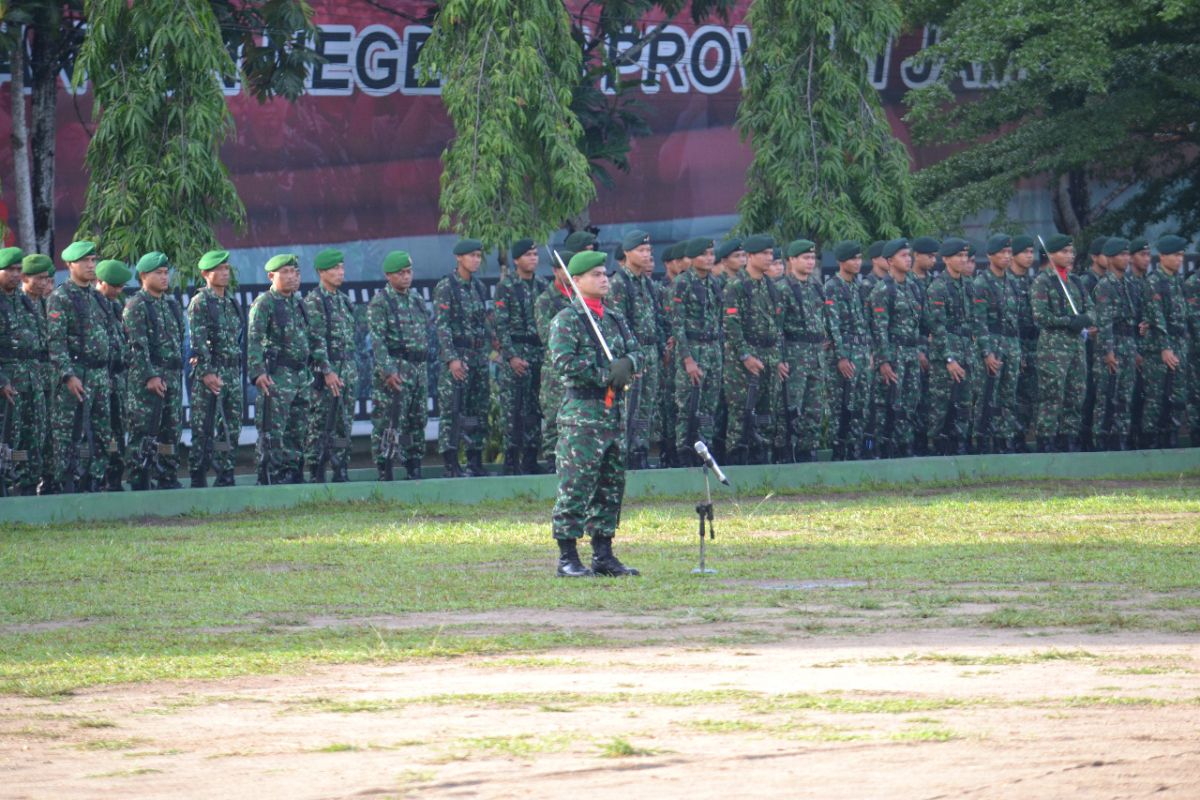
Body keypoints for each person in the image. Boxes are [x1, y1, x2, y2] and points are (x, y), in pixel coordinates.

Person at [549, 250, 641, 578]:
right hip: (582, 416)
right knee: (576, 485)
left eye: (605, 273)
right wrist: (608, 374)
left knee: (610, 485)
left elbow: (636, 352)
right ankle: (567, 557)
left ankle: (603, 553)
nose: (604, 279)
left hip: (612, 415)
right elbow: (564, 364)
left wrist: (628, 365)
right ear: (577, 281)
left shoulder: (614, 319)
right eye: (597, 274)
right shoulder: (568, 319)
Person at [248, 254, 332, 484]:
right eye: (285, 272)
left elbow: (314, 339)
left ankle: (293, 473)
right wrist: (257, 373)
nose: (292, 277)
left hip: (300, 377)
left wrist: (326, 369)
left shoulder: (299, 304)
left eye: (295, 272)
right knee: (274, 431)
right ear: (271, 276)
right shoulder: (265, 303)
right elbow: (254, 339)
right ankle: (270, 477)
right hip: (276, 376)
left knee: (298, 428)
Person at [47, 241, 113, 493]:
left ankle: (94, 481)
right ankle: (66, 485)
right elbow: (56, 341)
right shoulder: (60, 298)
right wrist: (68, 375)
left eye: (93, 260)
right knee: (68, 433)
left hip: (98, 374)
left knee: (100, 432)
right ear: (70, 265)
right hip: (76, 375)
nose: (91, 265)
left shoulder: (98, 298)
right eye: (85, 261)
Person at [123, 252, 186, 490]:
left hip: (171, 376)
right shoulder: (136, 305)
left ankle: (167, 475)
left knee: (171, 428)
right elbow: (137, 346)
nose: (164, 277)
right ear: (143, 276)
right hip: (147, 379)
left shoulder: (170, 304)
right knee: (144, 429)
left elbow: (179, 338)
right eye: (157, 273)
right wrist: (150, 375)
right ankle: (139, 478)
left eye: (165, 272)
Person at [368, 250, 431, 480]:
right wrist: (388, 370)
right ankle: (385, 468)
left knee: (416, 419)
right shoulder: (380, 302)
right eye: (400, 273)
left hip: (418, 368)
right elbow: (378, 340)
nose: (406, 276)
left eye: (408, 272)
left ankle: (413, 464)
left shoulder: (417, 300)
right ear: (388, 275)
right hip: (396, 367)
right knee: (389, 420)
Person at [433, 238, 493, 478]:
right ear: (459, 258)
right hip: (458, 358)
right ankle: (451, 464)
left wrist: (493, 348)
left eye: (479, 256)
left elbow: (484, 323)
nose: (476, 260)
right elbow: (442, 325)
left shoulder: (478, 287)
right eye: (472, 256)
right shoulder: (447, 286)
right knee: (453, 411)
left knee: (477, 409)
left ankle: (474, 461)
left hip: (478, 358)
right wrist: (451, 359)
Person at [722, 234, 783, 465]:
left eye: (771, 253)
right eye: (764, 254)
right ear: (750, 256)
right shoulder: (737, 286)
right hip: (743, 360)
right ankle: (737, 461)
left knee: (767, 410)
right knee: (741, 412)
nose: (770, 258)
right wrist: (745, 356)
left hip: (768, 355)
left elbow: (776, 324)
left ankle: (762, 459)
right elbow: (731, 324)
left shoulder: (770, 286)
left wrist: (777, 358)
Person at [187, 249, 244, 488]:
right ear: (205, 274)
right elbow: (197, 341)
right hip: (210, 373)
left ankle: (225, 472)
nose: (224, 273)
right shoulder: (201, 302)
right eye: (218, 269)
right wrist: (207, 372)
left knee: (231, 425)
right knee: (204, 426)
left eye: (226, 268)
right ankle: (198, 474)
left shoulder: (230, 301)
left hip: (231, 372)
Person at [1030, 234, 1092, 452]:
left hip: (1076, 347)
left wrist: (1086, 319)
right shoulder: (1043, 281)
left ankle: (1069, 439)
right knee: (1052, 395)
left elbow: (1090, 309)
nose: (1069, 256)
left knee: (1076, 395)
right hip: (1053, 348)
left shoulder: (1075, 281)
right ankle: (1046, 440)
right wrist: (1069, 321)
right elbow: (1040, 316)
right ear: (1051, 254)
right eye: (1064, 252)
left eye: (1071, 252)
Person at [607, 230, 660, 470]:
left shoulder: (647, 283)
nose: (647, 255)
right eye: (641, 250)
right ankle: (624, 459)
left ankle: (640, 454)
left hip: (650, 352)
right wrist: (630, 361)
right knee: (629, 409)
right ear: (627, 253)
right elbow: (619, 326)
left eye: (648, 250)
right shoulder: (619, 284)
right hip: (633, 356)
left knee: (646, 409)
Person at [494, 239, 548, 474]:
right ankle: (511, 461)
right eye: (528, 255)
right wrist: (511, 357)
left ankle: (530, 459)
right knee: (513, 410)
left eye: (535, 254)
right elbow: (501, 325)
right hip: (516, 356)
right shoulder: (506, 287)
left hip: (537, 354)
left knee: (535, 410)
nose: (533, 259)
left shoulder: (543, 286)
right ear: (516, 260)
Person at [669, 236, 723, 465]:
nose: (709, 258)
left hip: (712, 350)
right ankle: (684, 455)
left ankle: (705, 454)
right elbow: (677, 325)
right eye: (704, 254)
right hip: (692, 350)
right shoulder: (683, 283)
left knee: (709, 407)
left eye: (711, 254)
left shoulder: (713, 283)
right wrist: (687, 359)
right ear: (692, 258)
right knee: (688, 407)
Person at [869, 238, 923, 458]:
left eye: (909, 255)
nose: (908, 259)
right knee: (888, 403)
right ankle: (882, 449)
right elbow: (879, 329)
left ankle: (905, 445)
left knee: (910, 402)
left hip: (911, 352)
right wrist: (884, 361)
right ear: (890, 260)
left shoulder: (912, 286)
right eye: (903, 256)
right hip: (894, 353)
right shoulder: (883, 289)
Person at [303, 249, 355, 483]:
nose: (340, 272)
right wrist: (327, 370)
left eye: (342, 267)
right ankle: (316, 469)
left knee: (344, 422)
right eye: (334, 268)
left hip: (347, 369)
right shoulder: (314, 301)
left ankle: (340, 466)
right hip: (326, 372)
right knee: (321, 422)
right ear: (321, 272)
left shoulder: (344, 300)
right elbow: (315, 339)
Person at [925, 238, 979, 456]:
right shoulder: (938, 287)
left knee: (965, 403)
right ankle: (935, 446)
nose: (963, 260)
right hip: (946, 356)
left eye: (965, 256)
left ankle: (960, 443)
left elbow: (974, 322)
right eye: (958, 256)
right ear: (946, 259)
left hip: (967, 352)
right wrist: (949, 359)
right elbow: (937, 328)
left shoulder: (968, 285)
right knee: (941, 404)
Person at [777, 239, 827, 462]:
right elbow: (777, 327)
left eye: (812, 258)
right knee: (791, 406)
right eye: (805, 258)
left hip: (816, 354)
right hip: (794, 354)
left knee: (814, 408)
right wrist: (780, 358)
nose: (810, 262)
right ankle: (786, 451)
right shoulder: (782, 288)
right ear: (791, 260)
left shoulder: (816, 286)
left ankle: (809, 450)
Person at [0, 247, 45, 496]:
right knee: (5, 439)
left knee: (30, 437)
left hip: (30, 380)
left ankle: (26, 487)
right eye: (10, 270)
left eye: (19, 270)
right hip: (7, 382)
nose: (16, 275)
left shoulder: (24, 301)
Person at [1139, 235, 1190, 448]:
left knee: (1177, 397)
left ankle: (1170, 439)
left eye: (1181, 255)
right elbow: (1156, 317)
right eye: (1175, 255)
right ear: (1162, 256)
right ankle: (1149, 444)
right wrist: (1165, 347)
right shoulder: (1154, 282)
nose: (1179, 260)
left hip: (1179, 344)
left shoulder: (1177, 281)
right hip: (1160, 349)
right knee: (1155, 398)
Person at [971, 234, 1020, 454]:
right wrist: (986, 352)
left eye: (1009, 252)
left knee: (1008, 395)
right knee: (987, 396)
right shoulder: (982, 282)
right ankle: (982, 439)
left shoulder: (1012, 282)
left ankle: (1005, 438)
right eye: (1002, 252)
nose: (1007, 256)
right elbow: (979, 321)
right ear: (990, 256)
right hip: (992, 343)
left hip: (1011, 343)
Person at [824, 241, 871, 460]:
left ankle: (856, 449)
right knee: (842, 404)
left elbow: (865, 322)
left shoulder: (858, 287)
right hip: (845, 352)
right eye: (853, 258)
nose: (857, 262)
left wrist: (869, 352)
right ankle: (838, 450)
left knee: (860, 403)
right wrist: (841, 357)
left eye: (859, 258)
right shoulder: (833, 286)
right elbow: (832, 325)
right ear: (842, 262)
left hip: (861, 351)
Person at [1090, 238, 1138, 450]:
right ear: (1110, 258)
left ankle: (1121, 440)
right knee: (1106, 397)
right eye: (1121, 255)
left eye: (1127, 254)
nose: (1126, 258)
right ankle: (1101, 442)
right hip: (1112, 345)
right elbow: (1105, 322)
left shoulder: (1128, 284)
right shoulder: (1105, 286)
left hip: (1128, 344)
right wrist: (1108, 351)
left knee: (1125, 396)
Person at [534, 249, 574, 471]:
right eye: (564, 269)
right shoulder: (546, 300)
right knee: (552, 415)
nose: (568, 274)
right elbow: (546, 335)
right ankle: (551, 460)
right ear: (555, 271)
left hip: (576, 367)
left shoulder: (578, 297)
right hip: (554, 369)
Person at [95, 259, 133, 490]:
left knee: (118, 431)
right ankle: (97, 479)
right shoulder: (92, 305)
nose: (119, 291)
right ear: (100, 282)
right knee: (99, 431)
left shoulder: (115, 306)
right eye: (114, 286)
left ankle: (115, 479)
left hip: (117, 379)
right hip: (98, 378)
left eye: (121, 287)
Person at [19, 254, 56, 493]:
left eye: (47, 278)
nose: (45, 282)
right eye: (39, 278)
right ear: (24, 278)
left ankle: (44, 482)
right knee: (23, 433)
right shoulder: (16, 303)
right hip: (20, 378)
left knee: (45, 433)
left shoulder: (46, 304)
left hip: (44, 379)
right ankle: (22, 484)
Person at [909, 237, 939, 455]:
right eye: (929, 256)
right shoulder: (907, 282)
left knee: (932, 398)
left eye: (935, 256)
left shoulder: (933, 283)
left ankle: (928, 442)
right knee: (914, 398)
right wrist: (919, 350)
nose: (933, 260)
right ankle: (915, 443)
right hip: (913, 348)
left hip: (935, 347)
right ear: (916, 255)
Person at [1009, 234, 1039, 448]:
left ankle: (1024, 435)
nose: (1030, 256)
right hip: (1012, 343)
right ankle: (1013, 438)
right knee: (1012, 394)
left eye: (1031, 252)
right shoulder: (1006, 282)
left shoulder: (1033, 282)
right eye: (1025, 252)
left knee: (1030, 394)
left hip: (1033, 344)